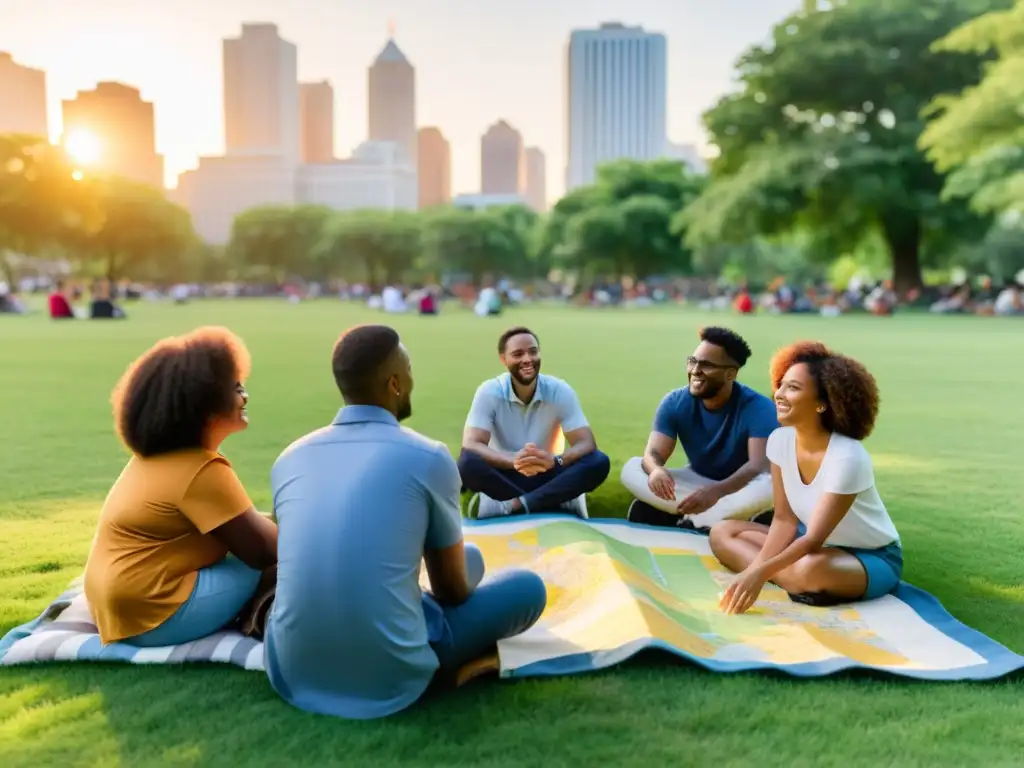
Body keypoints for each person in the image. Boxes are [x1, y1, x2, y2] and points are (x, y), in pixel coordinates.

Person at [264, 324, 546, 720]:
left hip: (292, 664)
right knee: (526, 588)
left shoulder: (290, 459)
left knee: (471, 557)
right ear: (395, 383)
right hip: (391, 672)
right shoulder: (427, 457)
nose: (414, 378)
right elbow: (451, 592)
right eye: (409, 369)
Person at [83, 327, 278, 646]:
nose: (245, 397)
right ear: (202, 403)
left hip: (114, 606)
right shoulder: (201, 471)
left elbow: (240, 523)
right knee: (292, 563)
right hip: (153, 616)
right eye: (237, 387)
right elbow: (262, 550)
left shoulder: (155, 459)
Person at [711, 341, 902, 615]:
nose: (779, 394)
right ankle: (791, 581)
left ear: (823, 404)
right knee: (723, 532)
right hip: (808, 546)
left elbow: (812, 539)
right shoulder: (779, 441)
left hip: (868, 555)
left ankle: (795, 579)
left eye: (793, 388)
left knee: (809, 569)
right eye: (782, 384)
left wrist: (759, 573)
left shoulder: (847, 456)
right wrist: (756, 571)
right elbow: (784, 520)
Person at [621, 326, 778, 530]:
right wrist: (656, 471)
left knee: (770, 485)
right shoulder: (675, 401)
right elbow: (654, 453)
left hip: (740, 487)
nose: (695, 370)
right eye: (693, 361)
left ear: (730, 374)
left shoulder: (759, 408)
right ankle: (707, 516)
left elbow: (757, 466)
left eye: (706, 365)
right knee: (632, 468)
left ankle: (692, 519)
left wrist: (717, 492)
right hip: (697, 480)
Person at [458, 326, 611, 518]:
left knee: (598, 461)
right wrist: (514, 460)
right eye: (518, 354)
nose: (527, 359)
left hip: (547, 471)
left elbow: (586, 442)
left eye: (533, 352)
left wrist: (556, 460)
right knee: (467, 462)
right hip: (505, 472)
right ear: (503, 359)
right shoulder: (489, 391)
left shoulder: (559, 390)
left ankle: (516, 505)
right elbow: (472, 443)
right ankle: (548, 501)